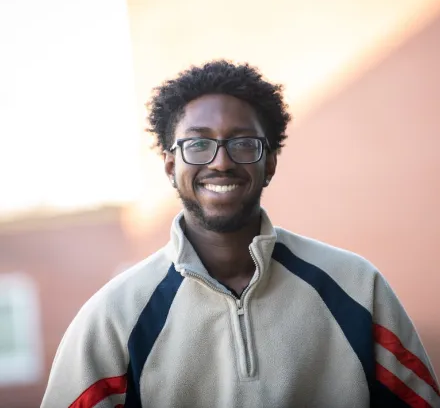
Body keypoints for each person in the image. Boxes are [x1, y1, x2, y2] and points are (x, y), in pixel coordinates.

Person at [41, 60, 439, 408]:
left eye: (243, 143)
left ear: (271, 164)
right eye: (198, 143)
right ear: (169, 166)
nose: (222, 162)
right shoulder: (113, 317)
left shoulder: (357, 287)